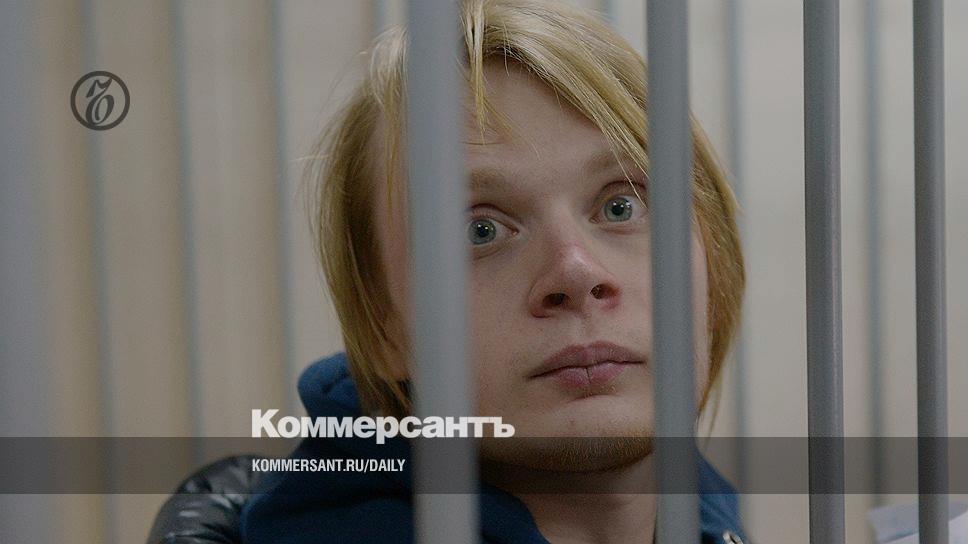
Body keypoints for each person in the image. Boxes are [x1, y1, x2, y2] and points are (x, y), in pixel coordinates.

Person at [240, 1, 747, 542]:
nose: (576, 273)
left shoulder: (702, 506)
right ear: (382, 326)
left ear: (712, 265)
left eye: (621, 206)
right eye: (479, 230)